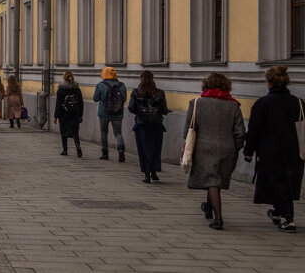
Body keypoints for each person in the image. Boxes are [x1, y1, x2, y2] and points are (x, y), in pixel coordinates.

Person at [243, 66, 304, 232]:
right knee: (287, 182)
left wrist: (248, 151)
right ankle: (277, 213)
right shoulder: (298, 102)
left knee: (277, 182)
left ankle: (289, 219)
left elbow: (254, 129)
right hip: (294, 150)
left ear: (269, 84)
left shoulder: (263, 103)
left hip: (270, 151)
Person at [184, 72, 245, 230]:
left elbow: (188, 129)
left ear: (206, 85)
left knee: (212, 180)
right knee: (214, 179)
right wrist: (235, 147)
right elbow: (240, 132)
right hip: (227, 147)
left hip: (204, 147)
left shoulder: (197, 103)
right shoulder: (233, 105)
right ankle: (208, 207)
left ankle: (218, 218)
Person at [129, 70, 169, 183]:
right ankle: (154, 172)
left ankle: (147, 174)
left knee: (143, 149)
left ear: (140, 79)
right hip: (156, 125)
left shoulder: (136, 92)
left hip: (142, 125)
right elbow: (164, 110)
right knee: (156, 149)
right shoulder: (160, 93)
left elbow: (131, 108)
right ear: (152, 79)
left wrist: (141, 112)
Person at [93, 67, 127, 162]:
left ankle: (105, 153)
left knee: (104, 132)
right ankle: (121, 150)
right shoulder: (122, 85)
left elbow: (95, 98)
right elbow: (124, 99)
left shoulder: (101, 85)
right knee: (118, 133)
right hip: (118, 113)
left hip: (104, 113)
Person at [53, 70, 84, 157]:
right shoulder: (77, 89)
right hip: (75, 113)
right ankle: (77, 146)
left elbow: (58, 104)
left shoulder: (61, 89)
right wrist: (80, 114)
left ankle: (65, 150)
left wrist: (55, 116)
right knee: (75, 132)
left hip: (63, 114)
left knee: (63, 132)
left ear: (64, 77)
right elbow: (81, 103)